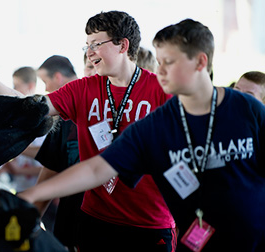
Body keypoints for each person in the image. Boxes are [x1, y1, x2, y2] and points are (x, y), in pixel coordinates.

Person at [17, 19, 265, 252]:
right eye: (159, 62)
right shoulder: (155, 124)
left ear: (200, 62)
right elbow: (96, 169)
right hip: (194, 241)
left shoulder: (248, 110)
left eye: (170, 62)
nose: (161, 70)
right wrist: (32, 195)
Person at [0, 11, 176, 251]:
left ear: (122, 45)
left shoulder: (161, 90)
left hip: (150, 224)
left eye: (96, 44)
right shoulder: (83, 89)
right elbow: (33, 108)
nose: (89, 52)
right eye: (87, 46)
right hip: (96, 220)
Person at [32, 55, 81, 251]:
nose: (45, 88)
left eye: (45, 82)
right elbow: (51, 164)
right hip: (71, 224)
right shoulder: (63, 118)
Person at [0, 66, 45, 193]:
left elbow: (49, 163)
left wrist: (19, 171)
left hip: (38, 191)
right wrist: (3, 169)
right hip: (20, 188)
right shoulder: (19, 120)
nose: (13, 90)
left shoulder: (42, 124)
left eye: (16, 85)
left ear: (30, 86)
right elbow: (17, 158)